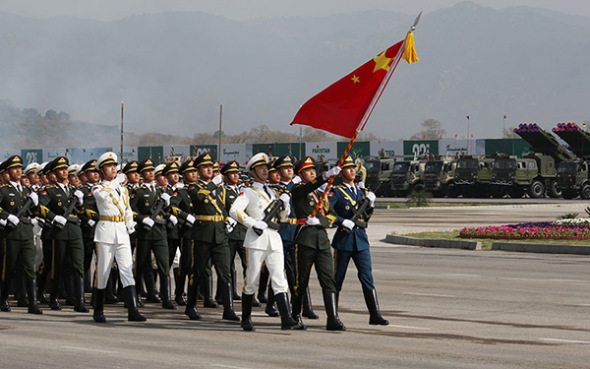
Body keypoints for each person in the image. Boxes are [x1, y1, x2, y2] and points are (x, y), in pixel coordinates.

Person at [229, 153, 300, 331]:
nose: (265, 170)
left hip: (274, 239)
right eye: (261, 168)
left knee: (279, 279)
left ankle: (286, 318)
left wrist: (286, 205)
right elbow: (234, 211)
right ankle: (246, 318)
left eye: (267, 168)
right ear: (253, 171)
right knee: (251, 279)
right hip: (256, 240)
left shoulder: (274, 192)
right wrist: (253, 224)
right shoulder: (249, 192)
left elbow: (283, 218)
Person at [329, 155, 388, 326]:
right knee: (337, 279)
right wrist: (341, 221)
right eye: (348, 168)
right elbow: (326, 211)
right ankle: (333, 317)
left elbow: (365, 218)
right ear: (341, 172)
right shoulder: (337, 191)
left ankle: (374, 314)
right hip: (344, 241)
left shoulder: (362, 192)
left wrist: (371, 205)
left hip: (360, 241)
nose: (352, 170)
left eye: (353, 168)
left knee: (367, 276)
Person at [290, 156, 345, 330]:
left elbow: (332, 214)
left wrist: (322, 222)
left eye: (314, 169)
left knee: (328, 279)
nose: (312, 172)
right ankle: (296, 315)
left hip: (322, 240)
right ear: (300, 174)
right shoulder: (298, 190)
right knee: (302, 281)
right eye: (308, 170)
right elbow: (308, 187)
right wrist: (324, 176)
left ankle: (333, 318)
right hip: (305, 240)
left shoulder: (322, 194)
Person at [91, 152, 146, 323]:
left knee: (127, 270)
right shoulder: (97, 187)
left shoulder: (123, 189)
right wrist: (114, 183)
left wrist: (130, 223)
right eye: (109, 166)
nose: (113, 169)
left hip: (122, 232)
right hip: (106, 232)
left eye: (115, 166)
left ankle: (133, 310)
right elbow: (101, 196)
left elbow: (127, 208)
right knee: (103, 272)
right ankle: (98, 310)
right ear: (102, 170)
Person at [184, 152, 239, 321]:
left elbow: (221, 207)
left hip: (220, 234)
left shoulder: (220, 189)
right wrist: (212, 185)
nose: (209, 170)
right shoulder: (194, 187)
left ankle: (228, 309)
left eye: (211, 167)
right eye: (205, 167)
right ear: (199, 170)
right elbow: (199, 198)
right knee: (198, 272)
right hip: (203, 235)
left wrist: (227, 219)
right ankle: (191, 306)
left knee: (225, 272)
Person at [38, 156, 88, 313]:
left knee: (78, 265)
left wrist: (80, 204)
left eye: (66, 169)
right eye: (61, 169)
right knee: (57, 266)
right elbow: (40, 207)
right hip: (59, 232)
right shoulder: (50, 191)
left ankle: (79, 302)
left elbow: (82, 212)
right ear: (54, 173)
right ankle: (54, 297)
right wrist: (54, 217)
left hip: (75, 230)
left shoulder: (75, 191)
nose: (64, 172)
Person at [272, 154, 318, 320]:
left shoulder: (300, 187)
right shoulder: (274, 190)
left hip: (297, 233)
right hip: (281, 233)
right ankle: (272, 303)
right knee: (277, 271)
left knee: (298, 273)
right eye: (285, 168)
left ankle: (306, 307)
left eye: (291, 167)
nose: (289, 170)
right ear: (278, 171)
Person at [130, 158, 175, 310]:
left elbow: (165, 211)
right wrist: (143, 219)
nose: (150, 173)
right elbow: (131, 212)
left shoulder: (161, 191)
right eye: (147, 171)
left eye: (152, 171)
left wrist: (169, 211)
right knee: (140, 265)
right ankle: (135, 295)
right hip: (145, 232)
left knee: (163, 265)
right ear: (142, 173)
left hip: (160, 232)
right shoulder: (138, 192)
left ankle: (166, 298)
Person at [0, 155, 43, 314]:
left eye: (20, 168)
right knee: (9, 268)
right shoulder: (4, 190)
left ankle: (33, 303)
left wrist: (36, 204)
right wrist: (6, 216)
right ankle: (3, 299)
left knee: (30, 268)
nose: (18, 171)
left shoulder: (28, 191)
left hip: (26, 233)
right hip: (11, 234)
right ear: (8, 172)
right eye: (14, 168)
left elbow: (35, 212)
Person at [220, 160, 247, 302]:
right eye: (232, 173)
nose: (236, 176)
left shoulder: (243, 191)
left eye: (237, 173)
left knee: (247, 265)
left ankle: (248, 293)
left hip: (243, 233)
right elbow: (221, 209)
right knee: (227, 266)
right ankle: (226, 293)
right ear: (225, 176)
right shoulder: (223, 191)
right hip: (229, 233)